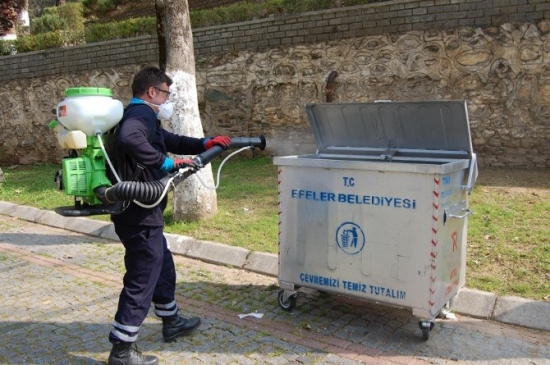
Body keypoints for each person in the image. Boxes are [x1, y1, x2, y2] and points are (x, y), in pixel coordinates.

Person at [107, 66, 231, 365]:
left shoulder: (136, 114)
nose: (167, 99)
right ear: (152, 92)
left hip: (139, 212)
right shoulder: (140, 116)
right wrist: (166, 165)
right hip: (139, 211)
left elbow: (168, 140)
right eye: (165, 93)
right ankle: (122, 349)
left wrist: (205, 143)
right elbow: (131, 140)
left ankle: (171, 320)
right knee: (142, 276)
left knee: (161, 262)